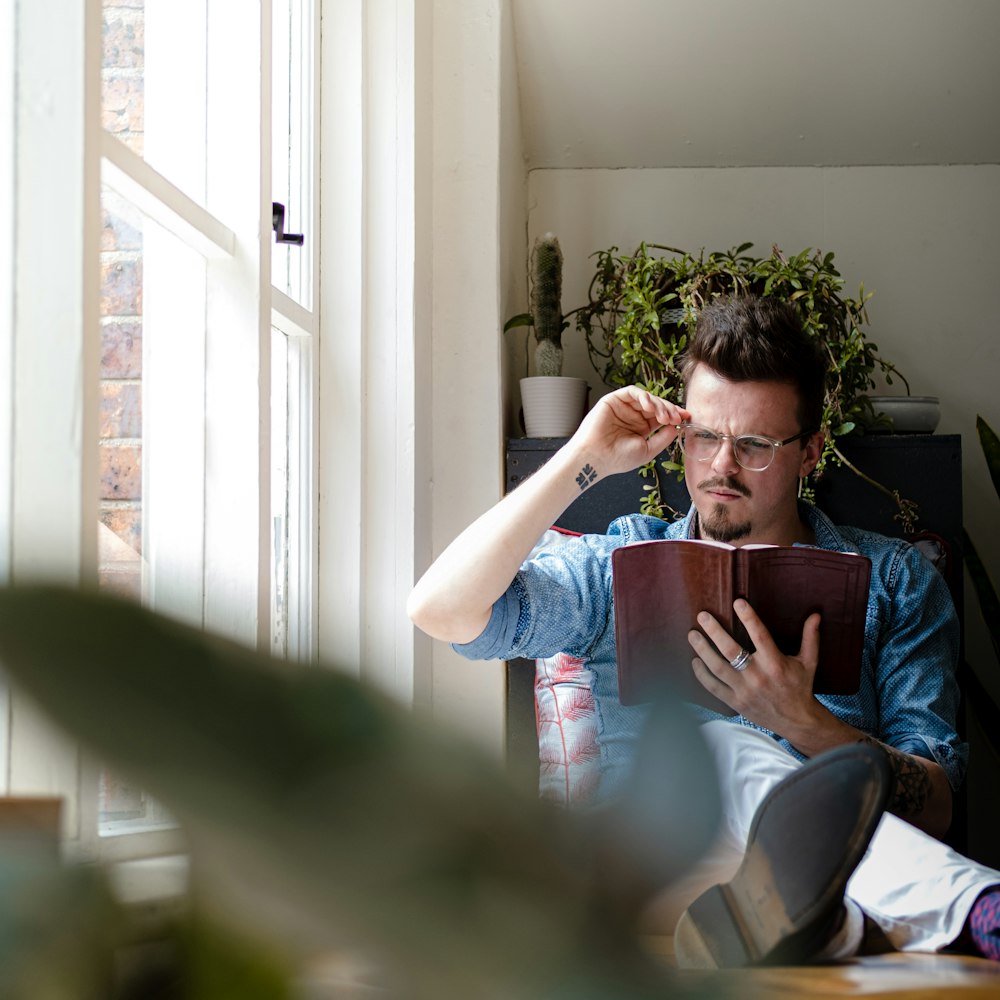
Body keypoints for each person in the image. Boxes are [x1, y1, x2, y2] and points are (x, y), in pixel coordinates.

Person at [407, 294, 1000, 966]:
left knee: (730, 758)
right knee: (716, 751)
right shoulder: (616, 567)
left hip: (812, 891)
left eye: (754, 445)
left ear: (810, 452)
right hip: (646, 881)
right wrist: (585, 455)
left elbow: (938, 805)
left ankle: (826, 925)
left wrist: (810, 726)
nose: (720, 467)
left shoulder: (892, 579)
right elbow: (441, 609)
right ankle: (974, 910)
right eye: (705, 436)